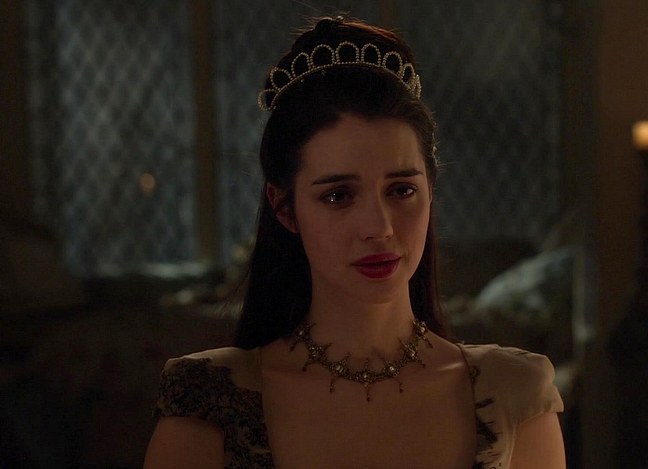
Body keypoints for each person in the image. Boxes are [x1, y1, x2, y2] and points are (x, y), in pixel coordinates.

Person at [144, 16, 565, 469]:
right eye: (338, 196)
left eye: (401, 190)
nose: (378, 227)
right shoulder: (209, 402)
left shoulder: (514, 394)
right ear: (285, 208)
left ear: (430, 190)